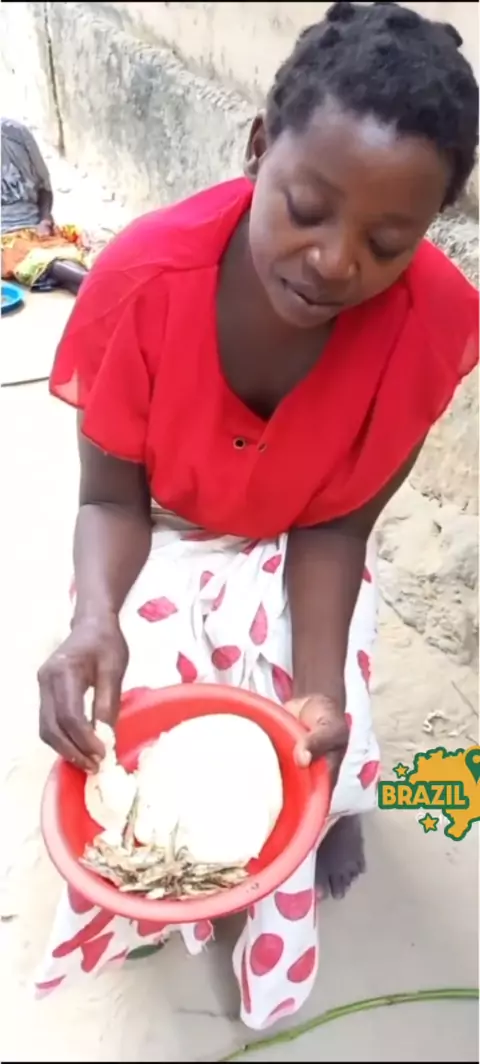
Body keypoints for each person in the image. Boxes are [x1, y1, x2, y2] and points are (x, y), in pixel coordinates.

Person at [36, 1, 478, 1030]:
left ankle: (322, 804)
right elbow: (109, 497)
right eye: (307, 208)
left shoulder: (433, 323)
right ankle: (165, 861)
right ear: (257, 146)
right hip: (162, 527)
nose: (334, 261)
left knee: (310, 716)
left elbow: (340, 527)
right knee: (142, 708)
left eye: (387, 241)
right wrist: (94, 617)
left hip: (306, 538)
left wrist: (314, 693)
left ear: (429, 229)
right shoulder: (145, 281)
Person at [1, 117, 88, 294]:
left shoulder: (16, 134)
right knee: (41, 260)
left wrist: (45, 219)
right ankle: (97, 283)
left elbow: (44, 189)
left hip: (36, 227)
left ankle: (96, 286)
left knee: (65, 257)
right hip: (5, 240)